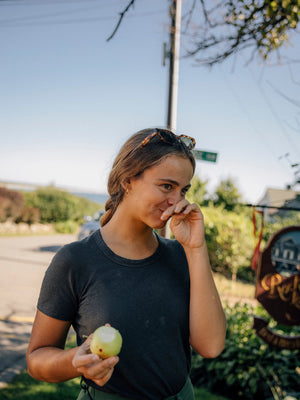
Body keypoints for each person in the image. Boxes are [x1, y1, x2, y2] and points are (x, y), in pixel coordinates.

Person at [26, 127, 226, 400]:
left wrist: (196, 248)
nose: (177, 201)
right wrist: (75, 361)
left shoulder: (181, 256)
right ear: (128, 180)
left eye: (184, 190)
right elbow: (36, 360)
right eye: (167, 186)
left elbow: (211, 346)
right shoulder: (75, 260)